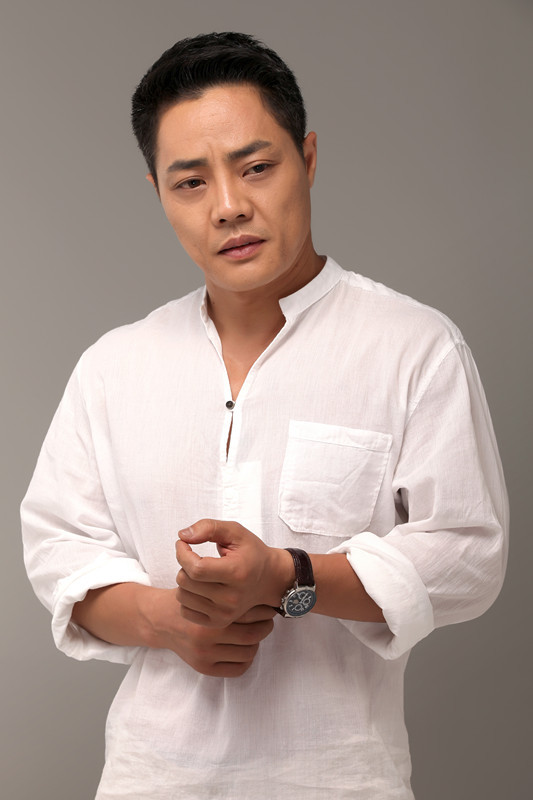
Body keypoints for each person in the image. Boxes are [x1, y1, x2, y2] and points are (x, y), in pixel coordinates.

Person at [21, 31, 508, 799]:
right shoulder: (114, 366)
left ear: (306, 158)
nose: (228, 207)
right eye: (190, 182)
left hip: (340, 782)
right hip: (151, 779)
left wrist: (290, 576)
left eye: (255, 167)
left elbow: (467, 555)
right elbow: (59, 550)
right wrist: (164, 620)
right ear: (157, 192)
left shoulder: (412, 346)